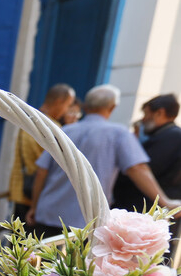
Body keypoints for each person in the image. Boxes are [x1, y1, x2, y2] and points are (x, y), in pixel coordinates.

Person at [26, 84, 180, 238]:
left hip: (49, 213)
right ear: (112, 107)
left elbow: (42, 172)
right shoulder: (118, 134)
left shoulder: (65, 130)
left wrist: (34, 206)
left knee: (41, 253)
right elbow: (137, 169)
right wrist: (164, 201)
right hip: (86, 222)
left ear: (86, 107)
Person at [8, 83, 75, 221]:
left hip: (20, 189)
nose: (67, 111)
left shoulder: (27, 120)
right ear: (59, 102)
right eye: (67, 105)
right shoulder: (53, 128)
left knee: (16, 232)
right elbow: (50, 166)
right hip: (37, 196)